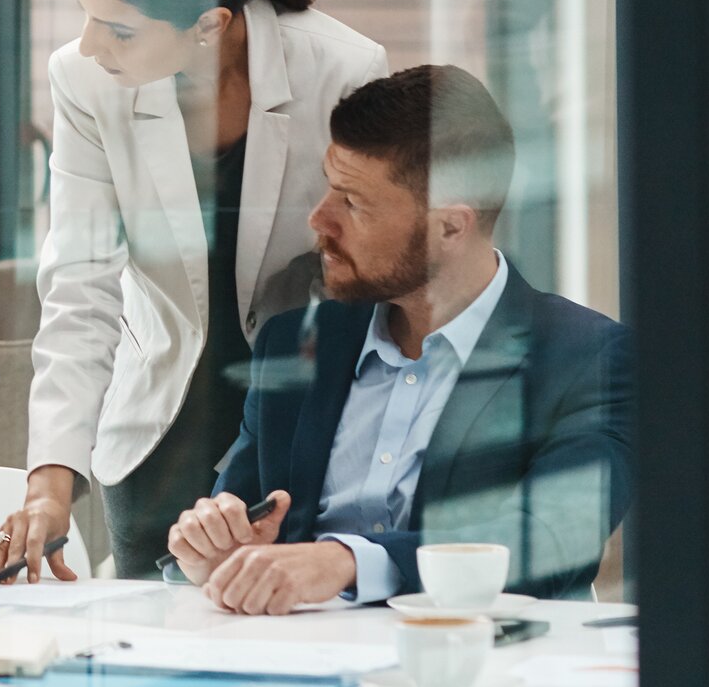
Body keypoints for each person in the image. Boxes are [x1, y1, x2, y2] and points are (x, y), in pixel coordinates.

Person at [0, 0, 389, 582]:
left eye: (116, 29)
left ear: (210, 25)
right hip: (158, 429)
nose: (87, 46)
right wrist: (49, 485)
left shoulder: (343, 69)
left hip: (296, 419)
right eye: (86, 14)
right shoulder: (83, 81)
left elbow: (361, 271)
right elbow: (80, 286)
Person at [162, 65, 629, 614]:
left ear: (451, 227)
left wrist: (349, 560)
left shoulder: (590, 357)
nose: (320, 220)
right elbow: (241, 512)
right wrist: (212, 549)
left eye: (353, 204)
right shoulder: (293, 341)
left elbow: (546, 542)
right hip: (295, 656)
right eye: (329, 190)